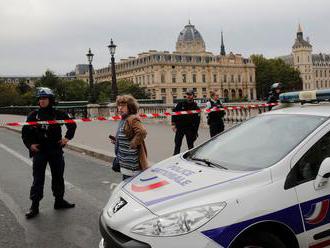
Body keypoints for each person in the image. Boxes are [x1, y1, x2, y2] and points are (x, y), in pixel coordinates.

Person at [22, 87, 77, 219]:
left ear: (50, 100)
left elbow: (72, 125)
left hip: (55, 150)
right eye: (40, 98)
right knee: (38, 179)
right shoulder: (33, 115)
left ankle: (59, 201)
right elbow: (25, 133)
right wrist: (30, 145)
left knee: (58, 177)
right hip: (40, 152)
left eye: (45, 98)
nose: (42, 101)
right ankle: (34, 206)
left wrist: (67, 138)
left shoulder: (58, 114)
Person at [110, 95, 148, 180]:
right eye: (119, 106)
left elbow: (142, 132)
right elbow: (127, 136)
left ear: (130, 107)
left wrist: (133, 144)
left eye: (123, 106)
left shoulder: (132, 119)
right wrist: (117, 141)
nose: (120, 108)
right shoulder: (123, 119)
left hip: (132, 165)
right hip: (125, 163)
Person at [171, 89, 201, 155]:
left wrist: (195, 132)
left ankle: (191, 158)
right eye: (187, 94)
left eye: (190, 95)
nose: (188, 96)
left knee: (190, 146)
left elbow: (197, 121)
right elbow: (174, 113)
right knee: (177, 145)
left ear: (193, 96)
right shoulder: (180, 104)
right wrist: (173, 124)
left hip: (190, 128)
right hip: (180, 127)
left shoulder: (196, 107)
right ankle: (174, 157)